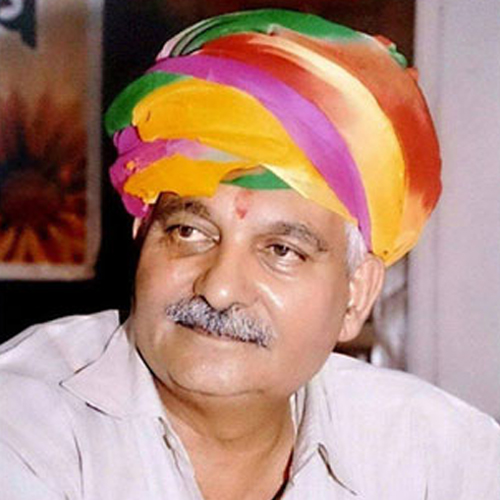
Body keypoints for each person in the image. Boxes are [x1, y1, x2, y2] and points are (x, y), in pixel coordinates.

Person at [1, 9, 499, 500]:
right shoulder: (23, 425)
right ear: (141, 237)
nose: (219, 289)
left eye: (281, 250)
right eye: (189, 233)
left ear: (356, 294)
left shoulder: (441, 455)